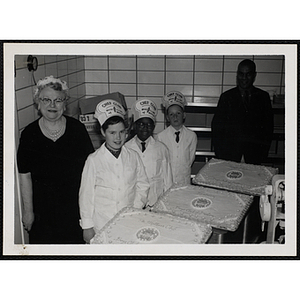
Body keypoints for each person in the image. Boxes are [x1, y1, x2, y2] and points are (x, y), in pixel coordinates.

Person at [17, 76, 94, 244]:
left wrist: (90, 213)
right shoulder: (29, 134)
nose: (52, 105)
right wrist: (28, 212)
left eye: (58, 100)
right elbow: (25, 175)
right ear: (38, 102)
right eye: (46, 100)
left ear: (64, 103)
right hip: (42, 215)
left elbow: (91, 170)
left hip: (75, 211)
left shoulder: (77, 130)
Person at [79, 99, 150, 243]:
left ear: (126, 132)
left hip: (128, 221)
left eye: (121, 132)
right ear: (103, 132)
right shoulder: (93, 160)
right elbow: (86, 195)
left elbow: (143, 185)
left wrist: (134, 208)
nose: (118, 138)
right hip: (101, 224)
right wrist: (87, 226)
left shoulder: (133, 156)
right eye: (112, 132)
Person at [211, 59, 274, 165]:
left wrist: (262, 154)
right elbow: (217, 128)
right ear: (237, 75)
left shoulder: (263, 97)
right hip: (229, 156)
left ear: (254, 75)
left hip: (255, 157)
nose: (244, 78)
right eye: (241, 74)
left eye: (248, 74)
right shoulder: (226, 97)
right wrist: (221, 155)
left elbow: (268, 129)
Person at [126, 99, 173, 208]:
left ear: (153, 126)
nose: (145, 128)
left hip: (156, 202)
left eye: (149, 125)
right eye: (141, 124)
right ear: (135, 125)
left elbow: (168, 181)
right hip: (134, 203)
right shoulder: (127, 148)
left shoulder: (161, 149)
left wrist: (166, 204)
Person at [157, 91, 197, 185]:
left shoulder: (191, 136)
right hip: (166, 182)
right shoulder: (160, 137)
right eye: (171, 114)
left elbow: (190, 160)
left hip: (184, 181)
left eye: (178, 113)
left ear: (184, 115)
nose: (175, 117)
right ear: (167, 118)